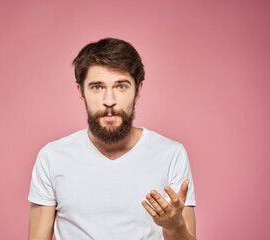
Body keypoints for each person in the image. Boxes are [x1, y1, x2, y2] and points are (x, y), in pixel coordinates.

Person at [27, 38, 196, 240]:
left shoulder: (171, 154)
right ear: (81, 91)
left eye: (121, 86)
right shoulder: (51, 157)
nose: (109, 101)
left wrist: (175, 226)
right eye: (97, 87)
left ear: (138, 90)